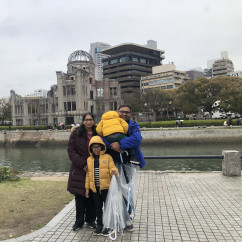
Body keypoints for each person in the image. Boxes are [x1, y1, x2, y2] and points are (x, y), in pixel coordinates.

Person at [103, 105, 146, 232]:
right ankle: (110, 218)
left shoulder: (133, 126)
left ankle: (127, 218)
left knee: (127, 191)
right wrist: (112, 145)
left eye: (127, 112)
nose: (124, 114)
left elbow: (137, 139)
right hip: (112, 162)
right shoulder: (108, 123)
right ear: (118, 112)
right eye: (122, 111)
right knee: (109, 190)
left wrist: (120, 144)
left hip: (128, 162)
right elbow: (101, 138)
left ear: (130, 114)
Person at [67, 113, 97, 231]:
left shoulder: (98, 132)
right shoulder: (76, 133)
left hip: (94, 167)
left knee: (93, 195)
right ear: (83, 121)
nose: (88, 122)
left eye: (91, 120)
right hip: (79, 168)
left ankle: (90, 220)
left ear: (94, 121)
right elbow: (71, 150)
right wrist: (83, 164)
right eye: (86, 120)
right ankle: (79, 221)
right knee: (79, 196)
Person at [85, 135, 118, 236]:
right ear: (91, 148)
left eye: (98, 147)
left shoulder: (108, 157)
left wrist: (114, 171)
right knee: (98, 209)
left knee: (108, 207)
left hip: (106, 188)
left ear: (102, 147)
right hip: (95, 189)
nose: (96, 149)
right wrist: (87, 189)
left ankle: (109, 226)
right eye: (94, 147)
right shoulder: (89, 160)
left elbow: (113, 167)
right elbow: (88, 175)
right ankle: (99, 225)